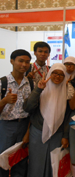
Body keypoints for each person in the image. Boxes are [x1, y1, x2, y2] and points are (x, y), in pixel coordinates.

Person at [23, 63, 71, 177]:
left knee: (53, 165)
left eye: (61, 74)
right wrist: (38, 90)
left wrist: (65, 135)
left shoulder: (66, 92)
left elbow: (67, 116)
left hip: (57, 134)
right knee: (36, 164)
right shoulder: (41, 87)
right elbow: (28, 108)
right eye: (55, 73)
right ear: (50, 73)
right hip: (38, 132)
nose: (57, 76)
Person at [0, 49, 32, 177]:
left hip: (25, 126)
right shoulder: (3, 83)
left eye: (27, 62)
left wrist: (28, 133)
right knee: (3, 160)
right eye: (21, 61)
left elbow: (32, 112)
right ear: (12, 61)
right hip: (6, 127)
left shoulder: (31, 84)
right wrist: (4, 101)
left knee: (21, 161)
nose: (24, 64)